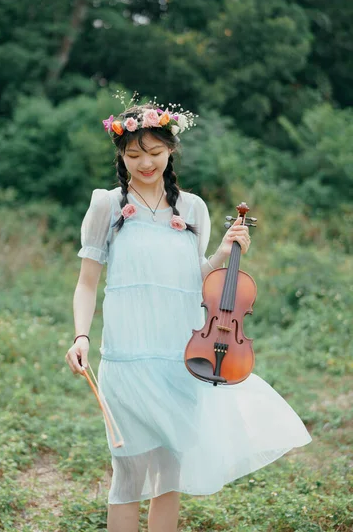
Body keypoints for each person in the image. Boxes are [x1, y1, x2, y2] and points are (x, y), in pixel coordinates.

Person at [65, 101, 312, 532]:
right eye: (135, 154)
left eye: (155, 152)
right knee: (127, 477)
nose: (146, 163)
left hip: (181, 358)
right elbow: (87, 283)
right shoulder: (106, 206)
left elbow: (193, 279)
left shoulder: (193, 208)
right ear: (121, 155)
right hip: (126, 359)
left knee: (169, 476)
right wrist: (80, 336)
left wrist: (222, 253)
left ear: (171, 150)